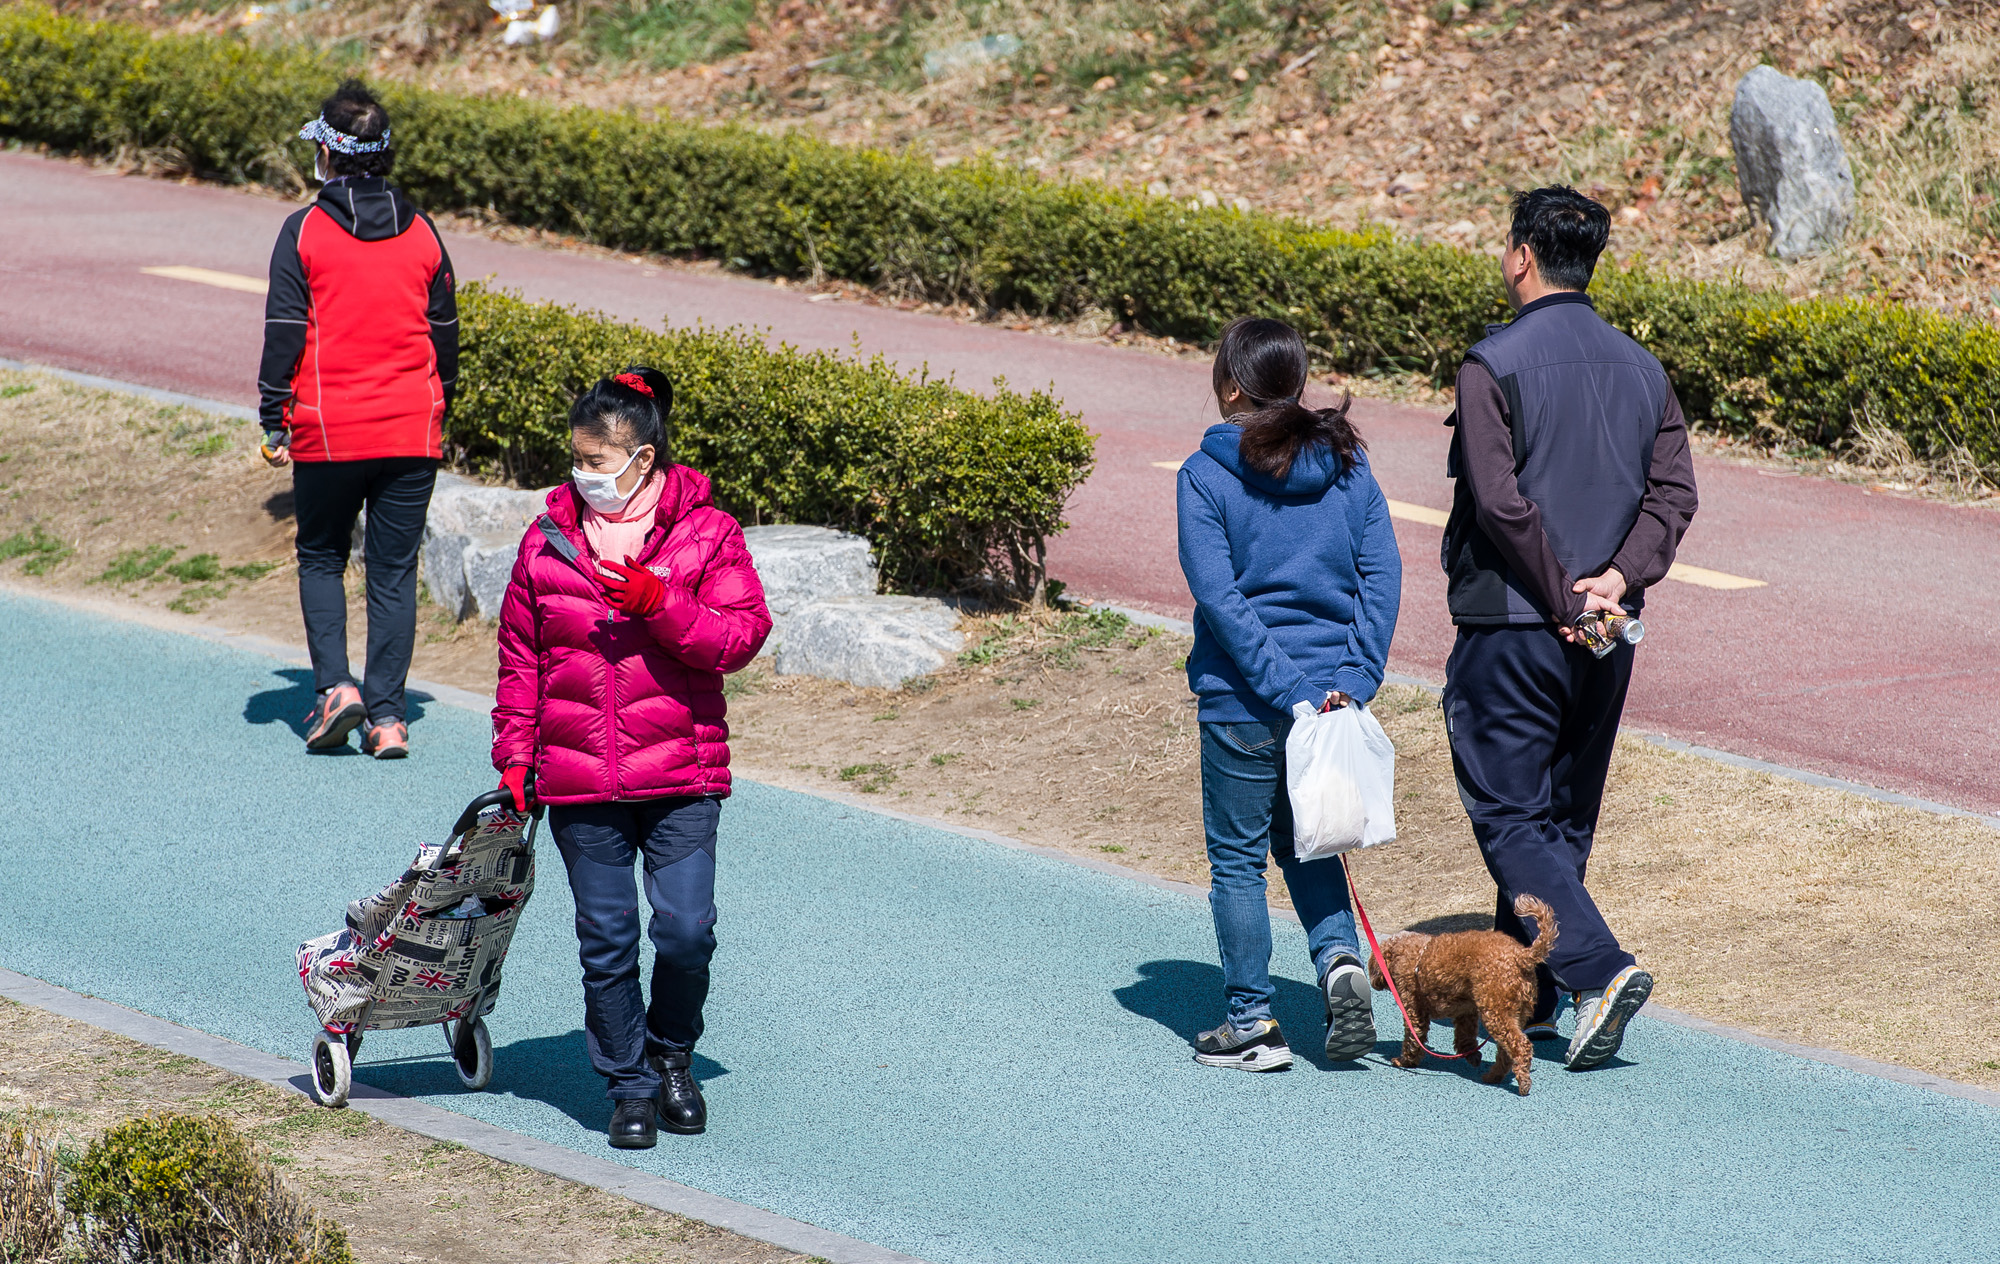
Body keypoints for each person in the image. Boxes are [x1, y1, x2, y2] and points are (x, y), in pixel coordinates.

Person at [1439, 186, 1698, 1070]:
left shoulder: (1490, 363)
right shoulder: (1644, 368)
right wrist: (1617, 581)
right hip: (1607, 631)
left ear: (1520, 254)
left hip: (1516, 624)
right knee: (1562, 819)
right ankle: (1538, 995)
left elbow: (1501, 503)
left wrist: (1560, 592)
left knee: (1510, 814)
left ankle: (1596, 969)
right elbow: (1675, 495)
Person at [491, 367, 772, 1149]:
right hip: (579, 779)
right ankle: (630, 1086)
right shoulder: (545, 539)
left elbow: (739, 637)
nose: (585, 476)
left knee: (685, 932)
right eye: (577, 460)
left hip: (681, 774)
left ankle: (672, 1054)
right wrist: (516, 756)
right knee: (607, 938)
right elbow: (521, 658)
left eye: (598, 461)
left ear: (642, 459)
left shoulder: (709, 533)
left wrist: (663, 603)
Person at [1176, 317, 1403, 1072]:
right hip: (1333, 701)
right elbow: (1382, 578)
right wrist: (1349, 682)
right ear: (1296, 385)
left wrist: (1288, 691)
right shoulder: (1349, 468)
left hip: (1243, 703)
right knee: (1311, 840)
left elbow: (1221, 599)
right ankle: (1339, 961)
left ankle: (1251, 1024)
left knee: (1239, 860)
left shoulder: (1204, 476)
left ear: (1232, 387)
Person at [257, 79, 459, 759]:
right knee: (393, 572)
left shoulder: (305, 230)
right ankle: (389, 719)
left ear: (329, 154)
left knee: (321, 555)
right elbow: (445, 336)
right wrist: (439, 406)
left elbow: (285, 332)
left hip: (329, 426)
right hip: (412, 427)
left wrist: (271, 417)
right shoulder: (425, 231)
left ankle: (334, 689)